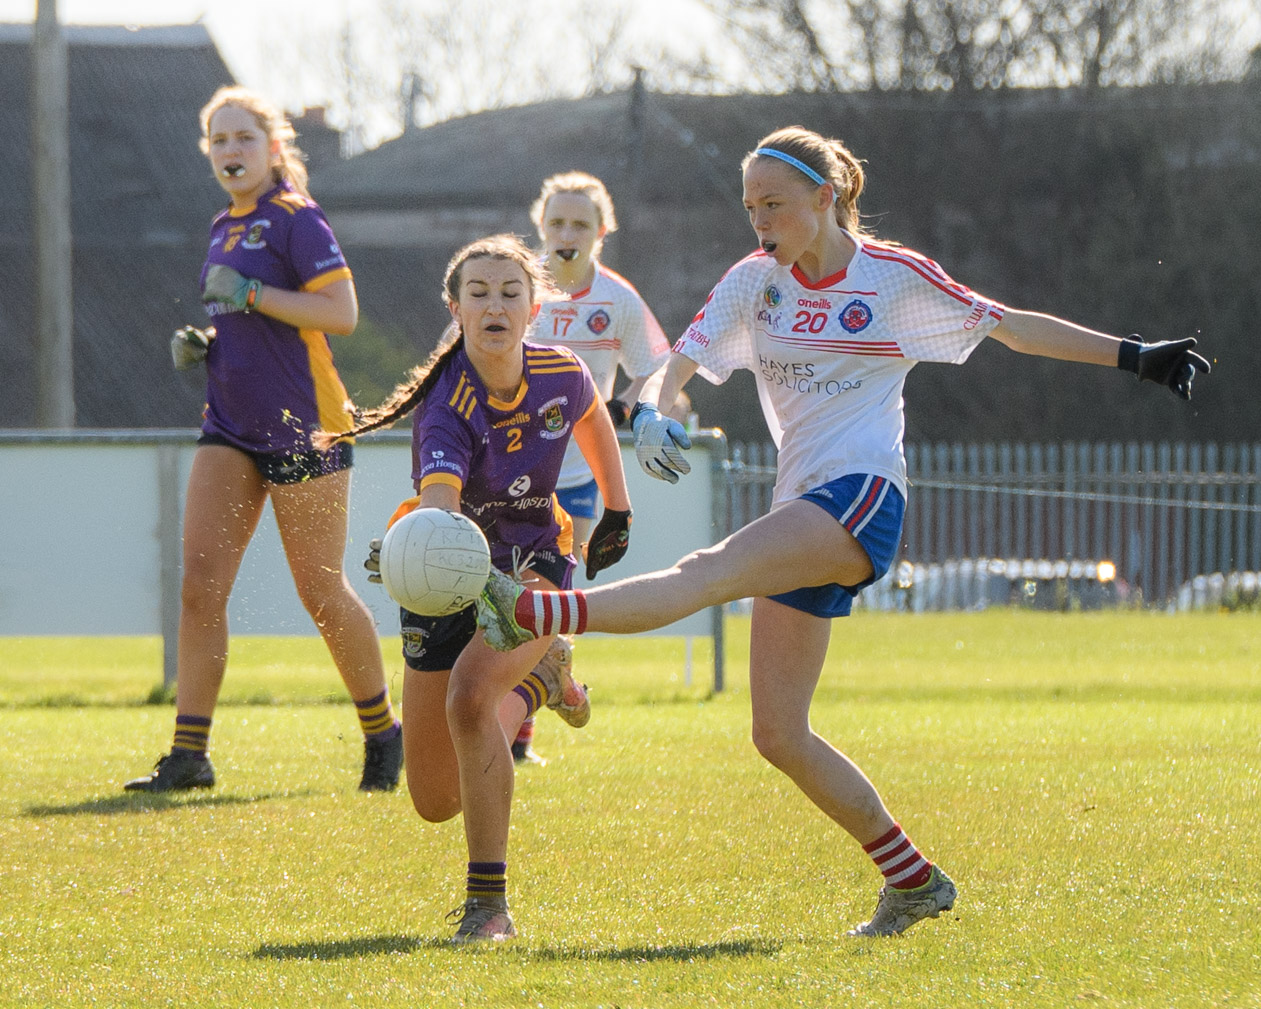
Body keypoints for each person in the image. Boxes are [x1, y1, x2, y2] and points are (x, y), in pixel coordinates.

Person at [475, 126, 1210, 937]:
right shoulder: (755, 281)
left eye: (775, 205)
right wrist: (649, 408)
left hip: (860, 497)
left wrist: (1136, 356)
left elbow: (1011, 327)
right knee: (778, 733)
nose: (759, 222)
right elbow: (679, 358)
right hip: (804, 502)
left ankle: (533, 615)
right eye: (750, 205)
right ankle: (911, 879)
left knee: (710, 569)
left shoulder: (890, 278)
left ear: (825, 199)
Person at [321, 234, 634, 943]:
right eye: (479, 293)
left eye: (509, 292)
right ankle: (536, 682)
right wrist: (424, 543)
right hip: (445, 578)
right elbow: (441, 501)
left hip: (536, 561)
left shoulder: (561, 370)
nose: (494, 304)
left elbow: (590, 415)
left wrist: (616, 507)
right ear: (455, 308)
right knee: (434, 799)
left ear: (534, 305)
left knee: (469, 701)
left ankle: (487, 905)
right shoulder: (446, 403)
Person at [124, 87, 403, 794]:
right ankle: (189, 754)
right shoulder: (223, 224)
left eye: (243, 138)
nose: (230, 152)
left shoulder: (296, 219)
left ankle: (383, 732)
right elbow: (252, 326)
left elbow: (339, 312)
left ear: (274, 147)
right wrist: (210, 341)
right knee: (199, 586)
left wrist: (248, 295)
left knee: (318, 589)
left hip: (303, 424)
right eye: (218, 141)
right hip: (230, 424)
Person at [510, 172, 672, 764]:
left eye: (581, 224)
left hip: (576, 479)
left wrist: (628, 409)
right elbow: (457, 349)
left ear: (602, 232)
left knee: (548, 601)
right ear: (541, 228)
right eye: (556, 223)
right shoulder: (516, 287)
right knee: (498, 598)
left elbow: (663, 367)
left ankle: (519, 735)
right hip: (503, 479)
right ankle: (539, 696)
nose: (566, 233)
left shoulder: (618, 299)